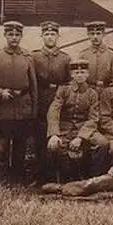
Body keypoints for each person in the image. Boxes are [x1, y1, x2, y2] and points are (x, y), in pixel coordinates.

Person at [0, 21, 38, 182]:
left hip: (22, 110)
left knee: (20, 146)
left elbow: (33, 86)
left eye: (17, 35)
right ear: (5, 35)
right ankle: (3, 180)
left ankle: (18, 179)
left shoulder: (27, 57)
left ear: (21, 36)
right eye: (10, 34)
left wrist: (33, 110)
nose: (14, 38)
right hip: (2, 109)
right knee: (3, 147)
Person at [46, 59, 108, 180]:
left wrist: (81, 137)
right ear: (72, 74)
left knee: (102, 143)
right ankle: (63, 178)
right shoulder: (63, 90)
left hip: (85, 128)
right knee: (54, 145)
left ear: (87, 74)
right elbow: (54, 111)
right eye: (77, 72)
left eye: (83, 72)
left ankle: (95, 177)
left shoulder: (92, 93)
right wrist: (53, 134)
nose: (80, 75)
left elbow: (93, 118)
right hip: (65, 128)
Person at [31, 21, 72, 182]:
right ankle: (41, 176)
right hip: (40, 100)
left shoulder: (65, 58)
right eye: (46, 34)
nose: (50, 37)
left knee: (58, 137)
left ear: (58, 36)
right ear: (42, 36)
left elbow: (69, 82)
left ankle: (59, 175)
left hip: (59, 101)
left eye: (53, 34)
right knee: (40, 138)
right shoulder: (34, 57)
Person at [79, 21, 113, 92]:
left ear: (103, 34)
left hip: (107, 91)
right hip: (88, 91)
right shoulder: (83, 55)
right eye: (92, 34)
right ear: (88, 35)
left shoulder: (112, 55)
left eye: (98, 33)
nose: (95, 37)